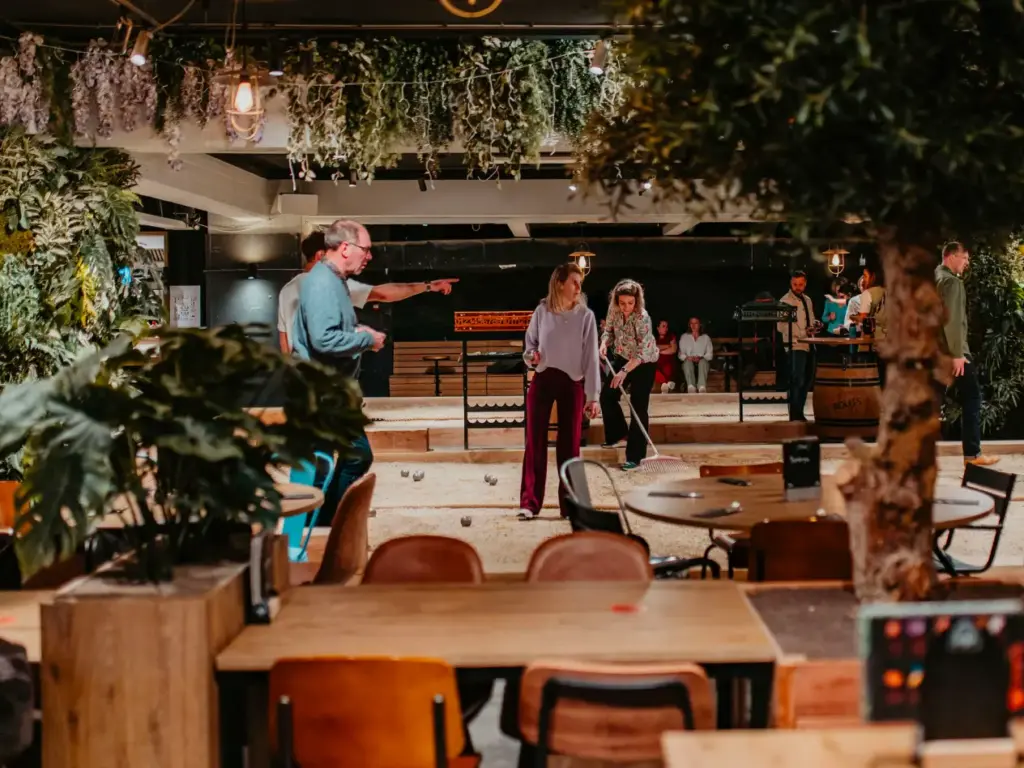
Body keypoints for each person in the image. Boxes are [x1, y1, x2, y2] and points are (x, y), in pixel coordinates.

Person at [278, 230, 459, 355]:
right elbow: (383, 294)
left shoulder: (287, 290)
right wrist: (428, 286)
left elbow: (285, 340)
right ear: (320, 256)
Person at [518, 263, 601, 520]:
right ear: (559, 284)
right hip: (543, 379)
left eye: (579, 283)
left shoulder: (586, 316)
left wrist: (593, 396)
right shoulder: (541, 311)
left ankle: (571, 505)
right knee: (535, 443)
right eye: (574, 281)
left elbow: (591, 359)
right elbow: (529, 346)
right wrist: (531, 356)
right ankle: (529, 503)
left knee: (570, 446)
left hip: (572, 383)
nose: (578, 287)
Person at [936, 242, 999, 466]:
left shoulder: (934, 277)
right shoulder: (952, 283)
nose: (966, 263)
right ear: (952, 257)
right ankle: (972, 455)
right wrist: (956, 354)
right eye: (964, 258)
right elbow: (952, 321)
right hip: (953, 352)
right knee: (972, 397)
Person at [599, 279, 660, 471]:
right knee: (607, 396)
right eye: (622, 303)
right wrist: (603, 344)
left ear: (637, 301)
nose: (626, 307)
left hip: (643, 363)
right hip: (622, 356)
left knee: (638, 408)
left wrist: (624, 371)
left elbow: (642, 351)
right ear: (617, 301)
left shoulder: (643, 317)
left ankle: (635, 457)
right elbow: (608, 331)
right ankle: (618, 434)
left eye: (630, 303)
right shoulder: (614, 311)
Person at [778, 270, 816, 422]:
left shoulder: (807, 300)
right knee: (797, 379)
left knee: (807, 380)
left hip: (809, 344)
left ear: (805, 284)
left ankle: (799, 412)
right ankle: (795, 414)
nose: (798, 287)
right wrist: (802, 333)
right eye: (795, 284)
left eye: (800, 284)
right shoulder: (785, 301)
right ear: (790, 283)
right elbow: (781, 327)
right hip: (795, 345)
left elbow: (810, 319)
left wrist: (814, 326)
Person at [677, 316, 714, 393]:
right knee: (687, 363)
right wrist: (688, 357)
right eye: (691, 323)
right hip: (689, 360)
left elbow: (710, 354)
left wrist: (701, 358)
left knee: (703, 362)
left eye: (696, 323)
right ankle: (691, 386)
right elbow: (681, 354)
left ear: (700, 324)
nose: (693, 325)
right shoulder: (684, 337)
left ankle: (701, 386)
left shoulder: (706, 338)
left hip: (701, 360)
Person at [654, 320, 678, 393]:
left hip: (668, 362)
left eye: (667, 327)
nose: (666, 329)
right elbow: (652, 348)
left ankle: (666, 385)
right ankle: (666, 383)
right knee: (652, 369)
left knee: (668, 368)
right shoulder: (653, 338)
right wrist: (668, 346)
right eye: (663, 326)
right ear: (658, 328)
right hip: (656, 363)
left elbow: (673, 349)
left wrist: (659, 351)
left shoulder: (671, 336)